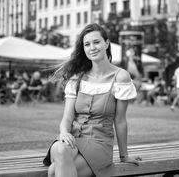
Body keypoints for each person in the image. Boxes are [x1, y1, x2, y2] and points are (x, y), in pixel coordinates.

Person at [43, 23, 141, 177]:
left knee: (54, 170)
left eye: (96, 42)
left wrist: (124, 156)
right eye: (87, 44)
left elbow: (120, 120)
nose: (92, 48)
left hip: (99, 143)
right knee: (61, 150)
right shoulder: (77, 78)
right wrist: (63, 133)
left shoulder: (120, 77)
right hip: (70, 141)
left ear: (106, 43)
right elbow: (67, 118)